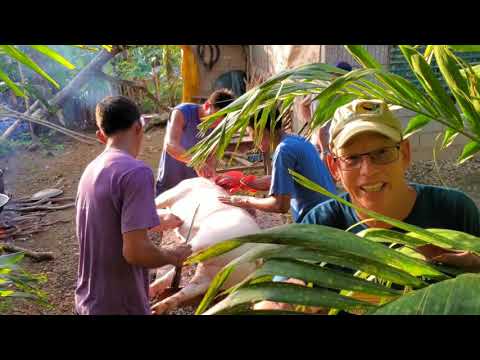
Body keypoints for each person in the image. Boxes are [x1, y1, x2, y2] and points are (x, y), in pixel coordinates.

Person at [302, 98, 480, 269]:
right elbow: (284, 287)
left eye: (382, 153)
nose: (368, 171)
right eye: (352, 158)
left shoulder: (455, 212)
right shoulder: (319, 225)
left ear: (404, 153)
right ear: (334, 167)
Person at [75, 96, 192, 315]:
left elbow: (108, 222)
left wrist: (154, 219)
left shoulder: (90, 170)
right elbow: (136, 252)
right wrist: (172, 255)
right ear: (139, 127)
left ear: (101, 136)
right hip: (119, 304)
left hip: (88, 300)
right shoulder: (136, 172)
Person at [217, 106, 337, 223]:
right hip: (331, 213)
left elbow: (280, 205)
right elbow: (280, 181)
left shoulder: (284, 150)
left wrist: (245, 200)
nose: (254, 142)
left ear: (261, 130)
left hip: (319, 221)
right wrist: (243, 182)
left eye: (253, 136)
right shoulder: (297, 140)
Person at [156, 88, 235, 195]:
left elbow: (212, 156)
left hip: (195, 185)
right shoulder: (182, 112)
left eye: (220, 123)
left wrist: (211, 176)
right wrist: (196, 162)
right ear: (207, 105)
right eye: (215, 120)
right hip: (171, 179)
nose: (216, 126)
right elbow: (170, 145)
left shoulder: (222, 126)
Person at [300, 61, 353, 160]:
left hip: (320, 145)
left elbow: (303, 105)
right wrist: (324, 151)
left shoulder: (322, 91)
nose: (333, 76)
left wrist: (312, 125)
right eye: (334, 74)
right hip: (326, 149)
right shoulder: (329, 94)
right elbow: (322, 128)